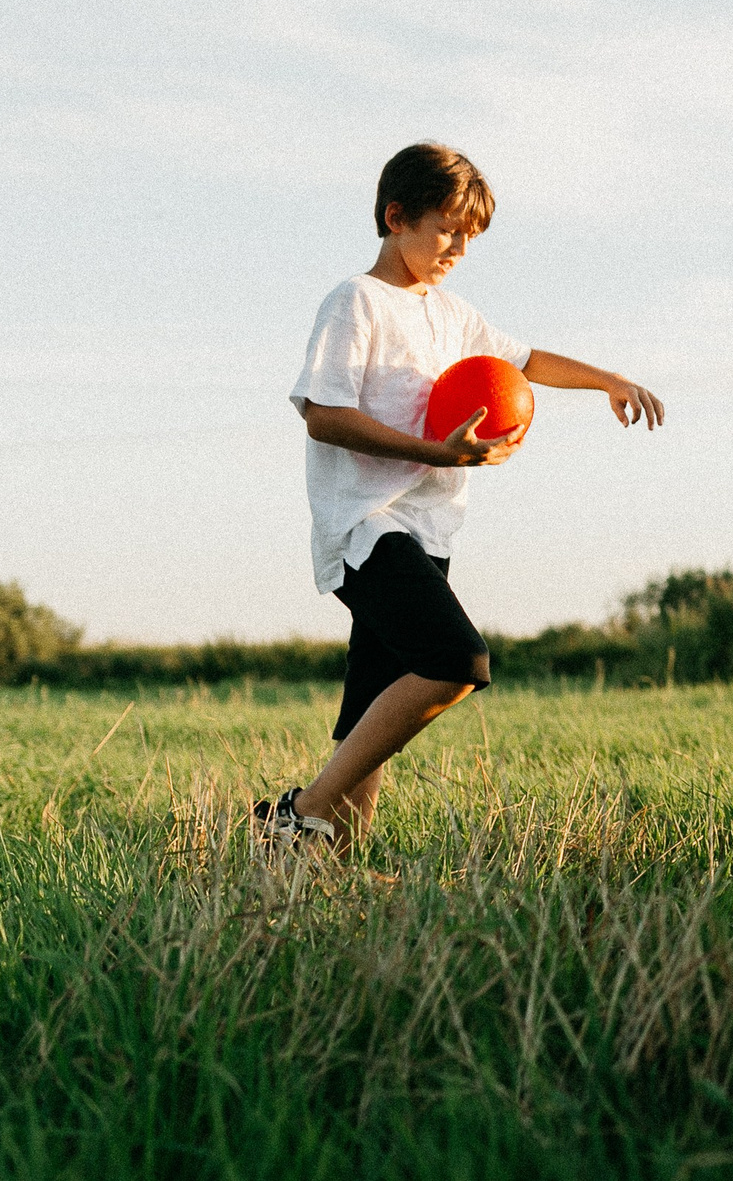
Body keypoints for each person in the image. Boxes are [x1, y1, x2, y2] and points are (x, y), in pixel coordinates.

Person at [258, 143, 664, 852]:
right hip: (365, 524)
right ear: (396, 216)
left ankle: (333, 867)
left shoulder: (455, 316)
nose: (459, 248)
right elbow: (322, 413)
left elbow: (528, 362)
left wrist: (609, 380)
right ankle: (301, 813)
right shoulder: (356, 302)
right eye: (447, 228)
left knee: (370, 710)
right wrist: (436, 452)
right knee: (456, 661)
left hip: (430, 529)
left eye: (469, 235)